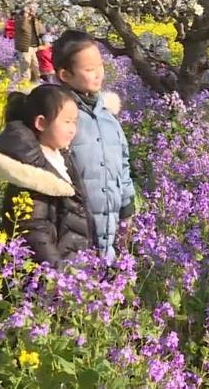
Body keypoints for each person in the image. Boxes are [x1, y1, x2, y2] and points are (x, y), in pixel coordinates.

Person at [0, 85, 95, 265]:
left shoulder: (60, 156)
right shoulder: (30, 172)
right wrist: (58, 277)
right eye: (67, 122)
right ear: (41, 123)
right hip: (46, 278)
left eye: (75, 122)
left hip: (71, 268)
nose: (73, 129)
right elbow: (33, 232)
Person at [53, 30, 135, 264]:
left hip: (108, 232)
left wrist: (127, 210)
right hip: (72, 233)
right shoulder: (59, 119)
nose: (98, 73)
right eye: (89, 70)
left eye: (100, 65)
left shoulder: (108, 117)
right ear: (65, 75)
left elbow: (123, 163)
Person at [14, 4, 45, 82]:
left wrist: (35, 17)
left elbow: (41, 30)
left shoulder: (34, 20)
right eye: (30, 10)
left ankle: (37, 85)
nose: (31, 11)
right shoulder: (19, 19)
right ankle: (24, 87)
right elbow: (23, 27)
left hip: (34, 47)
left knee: (36, 68)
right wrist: (25, 16)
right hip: (25, 48)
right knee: (25, 70)